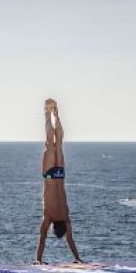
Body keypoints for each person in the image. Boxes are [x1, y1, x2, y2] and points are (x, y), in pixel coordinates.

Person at [35, 99, 83, 264]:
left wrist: (78, 257)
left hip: (59, 176)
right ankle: (48, 113)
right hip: (49, 176)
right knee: (51, 145)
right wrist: (38, 259)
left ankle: (55, 113)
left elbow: (70, 239)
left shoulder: (65, 216)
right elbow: (42, 238)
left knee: (58, 145)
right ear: (53, 227)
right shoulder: (48, 217)